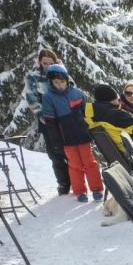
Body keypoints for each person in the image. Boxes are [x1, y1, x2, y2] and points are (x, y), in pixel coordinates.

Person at [39, 64, 103, 203]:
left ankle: (97, 189)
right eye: (56, 82)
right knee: (75, 165)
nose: (60, 85)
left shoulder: (77, 93)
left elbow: (87, 114)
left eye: (62, 81)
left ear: (67, 80)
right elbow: (50, 122)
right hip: (66, 138)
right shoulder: (48, 97)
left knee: (90, 162)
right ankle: (80, 191)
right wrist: (56, 141)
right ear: (51, 82)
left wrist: (91, 130)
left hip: (83, 135)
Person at [24, 48, 70, 195]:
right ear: (40, 62)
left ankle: (76, 179)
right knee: (55, 154)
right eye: (45, 63)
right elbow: (32, 101)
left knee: (71, 152)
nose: (48, 66)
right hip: (48, 122)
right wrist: (46, 118)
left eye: (51, 63)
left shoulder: (62, 73)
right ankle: (63, 183)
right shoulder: (33, 77)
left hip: (66, 119)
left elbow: (72, 91)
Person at [84, 84, 133, 150]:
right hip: (130, 148)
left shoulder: (94, 114)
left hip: (118, 149)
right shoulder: (115, 114)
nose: (132, 96)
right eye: (128, 93)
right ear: (112, 99)